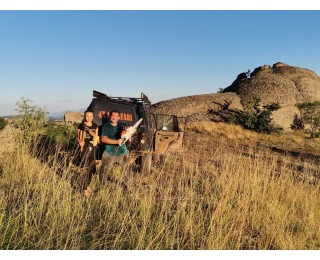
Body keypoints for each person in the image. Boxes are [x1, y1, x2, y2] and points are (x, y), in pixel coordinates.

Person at [99, 110, 130, 184]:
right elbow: (103, 139)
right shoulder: (106, 127)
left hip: (122, 152)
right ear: (110, 116)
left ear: (119, 117)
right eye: (113, 116)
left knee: (128, 171)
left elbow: (128, 134)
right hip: (109, 152)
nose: (114, 117)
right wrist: (116, 142)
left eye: (116, 116)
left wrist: (128, 132)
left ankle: (129, 188)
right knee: (104, 172)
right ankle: (102, 187)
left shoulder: (122, 125)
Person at [75, 110, 99, 196]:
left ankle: (87, 186)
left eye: (90, 116)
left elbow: (96, 137)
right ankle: (84, 189)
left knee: (91, 169)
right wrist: (79, 142)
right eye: (87, 116)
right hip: (84, 148)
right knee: (85, 168)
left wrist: (96, 141)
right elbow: (78, 137)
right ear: (85, 116)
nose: (89, 118)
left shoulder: (95, 126)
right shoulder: (81, 125)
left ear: (93, 117)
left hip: (92, 149)